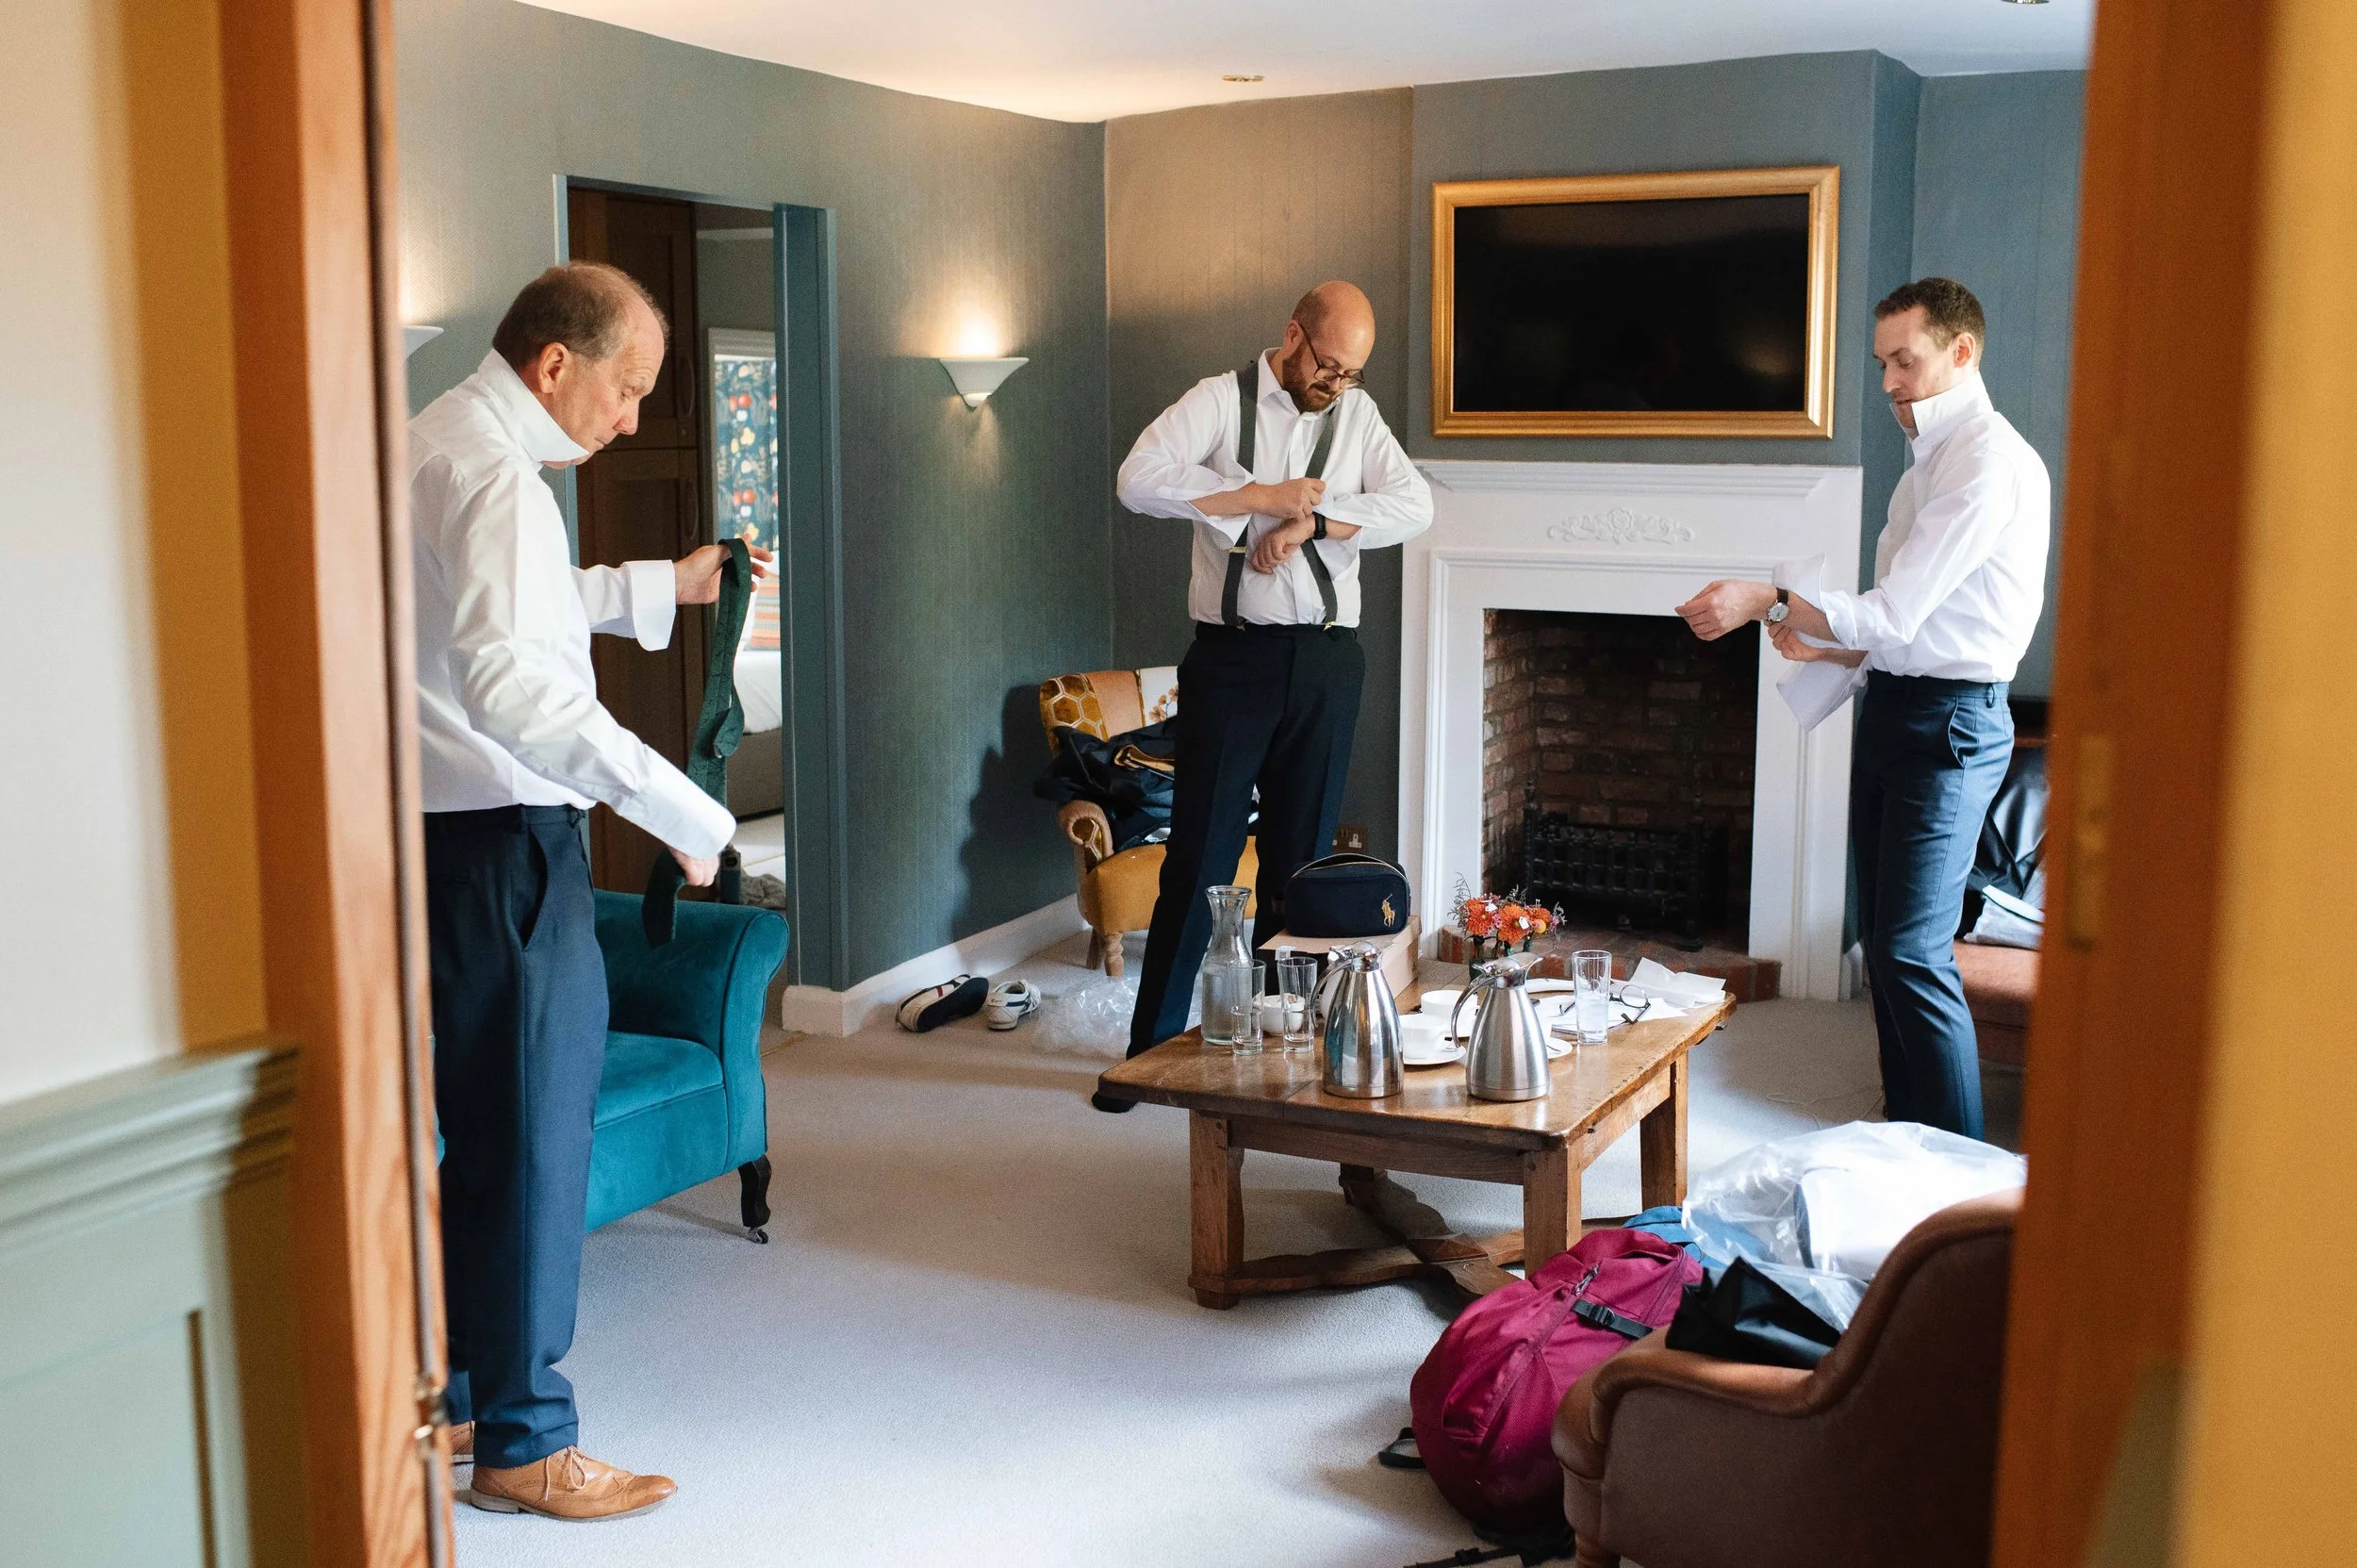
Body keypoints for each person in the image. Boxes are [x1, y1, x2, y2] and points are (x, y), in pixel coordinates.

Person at [410, 261, 771, 1518]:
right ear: (554, 363)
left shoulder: (431, 444)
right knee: (531, 1141)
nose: (629, 418)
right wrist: (687, 813)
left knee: (482, 1137)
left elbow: (503, 609)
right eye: (625, 388)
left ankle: (465, 1404)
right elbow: (513, 684)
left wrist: (660, 586)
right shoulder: (499, 478)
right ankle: (526, 1441)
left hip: (434, 845)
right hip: (509, 844)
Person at [1674, 278, 2049, 1139]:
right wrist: (1832, 649)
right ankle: (1902, 1147)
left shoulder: (1987, 462)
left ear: (1962, 351)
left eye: (1903, 361)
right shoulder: (1930, 462)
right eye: (1882, 363)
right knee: (1885, 950)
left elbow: (1896, 614)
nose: (1888, 382)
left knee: (1913, 951)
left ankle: (1954, 1176)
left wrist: (1769, 600)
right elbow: (1916, 626)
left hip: (1950, 727)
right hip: (1899, 708)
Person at [1103, 281, 1434, 1101]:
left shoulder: (1358, 416)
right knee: (1200, 858)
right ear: (1293, 335)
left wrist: (1315, 521)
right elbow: (1136, 479)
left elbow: (1415, 505)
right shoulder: (1219, 402)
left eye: (1352, 372)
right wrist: (1259, 496)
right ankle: (1147, 1055)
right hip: (1231, 662)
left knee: (1299, 867)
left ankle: (1283, 1058)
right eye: (1329, 366)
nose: (1338, 385)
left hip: (1327, 663)